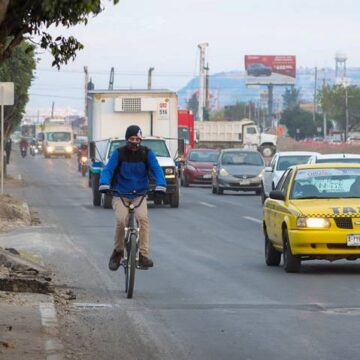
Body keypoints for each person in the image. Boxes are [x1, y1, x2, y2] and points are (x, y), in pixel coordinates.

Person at [99, 125, 166, 270]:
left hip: (140, 195)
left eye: (137, 139)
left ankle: (143, 255)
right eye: (131, 139)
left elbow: (156, 169)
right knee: (121, 221)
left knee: (143, 219)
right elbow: (108, 170)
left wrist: (161, 184)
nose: (134, 142)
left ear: (141, 139)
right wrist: (104, 184)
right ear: (126, 139)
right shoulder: (119, 153)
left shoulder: (147, 154)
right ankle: (117, 252)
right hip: (120, 194)